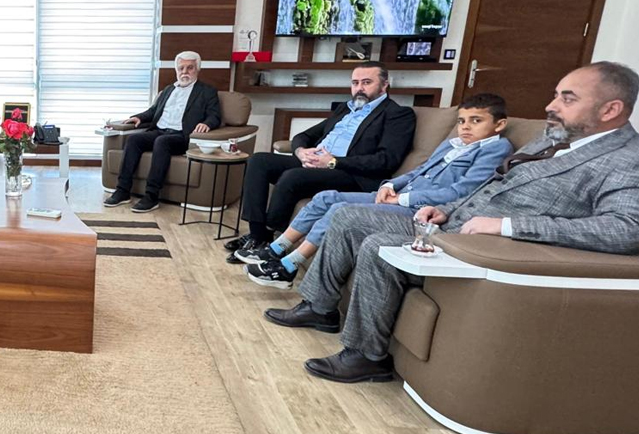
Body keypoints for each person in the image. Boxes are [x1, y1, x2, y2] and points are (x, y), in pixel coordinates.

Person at [264, 63, 639, 384]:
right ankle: (320, 306)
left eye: (567, 99)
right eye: (555, 96)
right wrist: (446, 209)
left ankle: (366, 356)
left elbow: (627, 229)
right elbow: (490, 185)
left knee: (378, 244)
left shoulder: (626, 160)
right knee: (347, 215)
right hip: (453, 221)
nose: (550, 106)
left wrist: (507, 226)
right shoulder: (552, 139)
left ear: (611, 109)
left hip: (491, 246)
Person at [242, 93, 513, 288]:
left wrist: (403, 197)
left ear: (499, 124)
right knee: (325, 197)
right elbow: (418, 170)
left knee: (339, 208)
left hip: (419, 209)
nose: (465, 127)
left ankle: (289, 266)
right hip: (396, 195)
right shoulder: (452, 144)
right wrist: (390, 185)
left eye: (475, 121)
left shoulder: (496, 149)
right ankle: (275, 250)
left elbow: (462, 191)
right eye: (462, 121)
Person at [227, 61, 416, 263]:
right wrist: (301, 152)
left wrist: (333, 162)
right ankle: (257, 235)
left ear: (384, 85)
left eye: (366, 82)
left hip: (351, 174)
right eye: (355, 83)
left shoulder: (398, 114)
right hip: (319, 163)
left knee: (293, 176)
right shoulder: (346, 108)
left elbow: (385, 160)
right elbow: (305, 135)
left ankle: (271, 237)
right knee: (259, 161)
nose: (359, 88)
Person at [103, 51, 222, 213]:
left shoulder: (207, 91)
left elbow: (215, 116)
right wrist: (138, 117)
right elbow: (153, 111)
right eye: (181, 68)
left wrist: (206, 123)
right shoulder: (168, 90)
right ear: (176, 70)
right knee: (134, 139)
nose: (185, 72)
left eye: (190, 68)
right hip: (159, 131)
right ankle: (123, 191)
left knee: (162, 142)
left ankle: (151, 196)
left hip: (181, 136)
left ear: (197, 69)